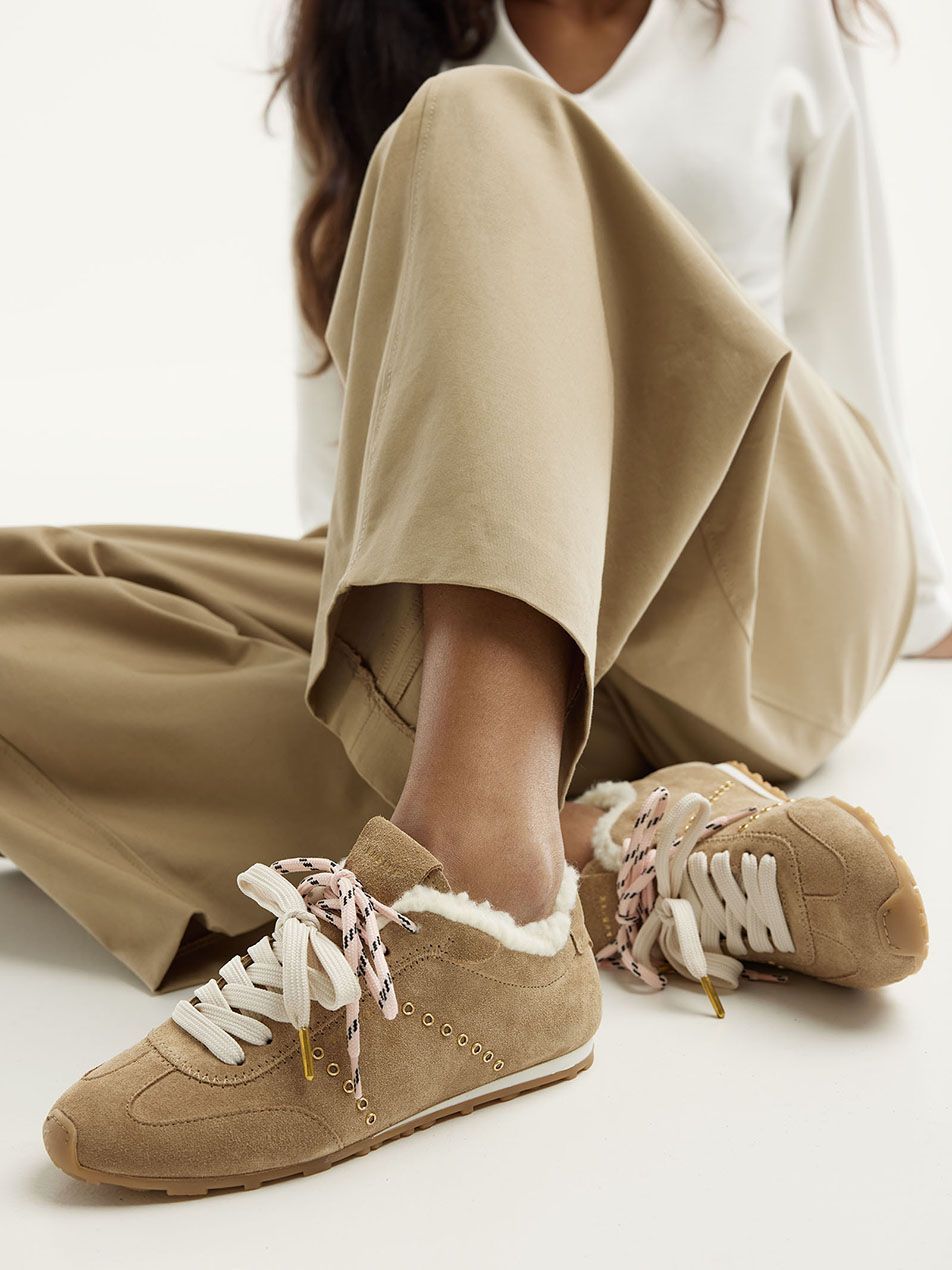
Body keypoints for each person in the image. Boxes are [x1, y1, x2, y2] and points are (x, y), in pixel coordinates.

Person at [14, 0, 942, 1193]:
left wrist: (926, 608)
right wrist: (377, 664)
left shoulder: (775, 20)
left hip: (765, 576)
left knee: (475, 121)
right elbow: (352, 460)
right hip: (521, 616)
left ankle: (475, 883)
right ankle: (598, 845)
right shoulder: (361, 39)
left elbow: (846, 330)